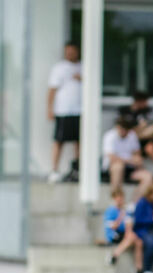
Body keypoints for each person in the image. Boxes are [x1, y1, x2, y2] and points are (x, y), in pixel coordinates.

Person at [46, 42, 82, 183]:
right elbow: (52, 90)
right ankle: (54, 170)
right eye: (67, 52)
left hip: (80, 110)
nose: (70, 54)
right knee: (59, 140)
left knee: (79, 141)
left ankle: (78, 169)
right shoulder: (59, 68)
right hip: (63, 110)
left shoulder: (84, 66)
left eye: (72, 51)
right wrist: (49, 109)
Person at [102, 116, 151, 193]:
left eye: (126, 129)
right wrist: (130, 161)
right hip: (112, 168)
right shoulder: (110, 136)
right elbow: (112, 157)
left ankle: (133, 204)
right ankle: (116, 199)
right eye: (122, 128)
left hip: (129, 168)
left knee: (147, 176)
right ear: (117, 127)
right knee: (118, 166)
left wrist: (138, 161)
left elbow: (137, 153)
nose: (124, 131)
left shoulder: (132, 135)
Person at [102, 188, 140, 273]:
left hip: (124, 233)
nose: (120, 200)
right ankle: (114, 255)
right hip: (114, 235)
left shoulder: (126, 209)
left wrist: (128, 231)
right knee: (132, 237)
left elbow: (129, 223)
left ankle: (139, 269)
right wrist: (121, 216)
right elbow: (113, 226)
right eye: (118, 197)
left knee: (138, 242)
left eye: (121, 197)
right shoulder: (111, 210)